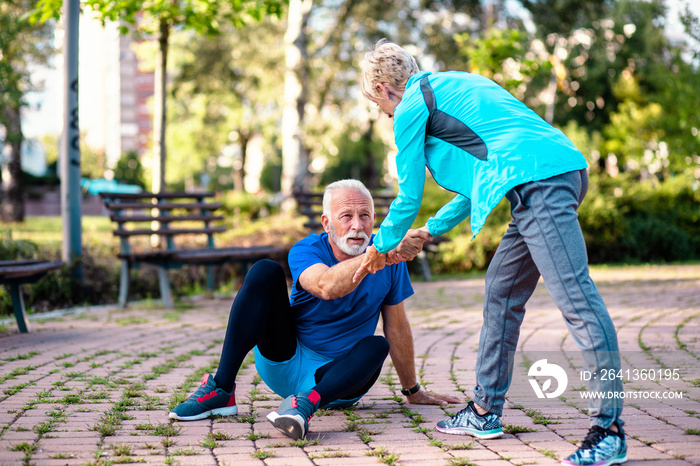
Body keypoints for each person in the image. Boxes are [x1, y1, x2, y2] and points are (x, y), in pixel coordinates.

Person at [356, 40, 626, 466]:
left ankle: (608, 430)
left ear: (382, 88)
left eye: (378, 104)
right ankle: (484, 411)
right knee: (501, 288)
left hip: (539, 182)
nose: (383, 113)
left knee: (578, 301)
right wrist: (428, 232)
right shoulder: (455, 83)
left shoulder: (410, 105)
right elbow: (474, 185)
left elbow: (407, 197)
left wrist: (378, 250)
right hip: (546, 178)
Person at [169, 179, 458, 440]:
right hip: (286, 359)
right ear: (326, 223)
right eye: (346, 216)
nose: (357, 226)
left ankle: (304, 405)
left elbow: (396, 326)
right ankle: (221, 389)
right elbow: (326, 286)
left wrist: (412, 390)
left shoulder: (391, 263)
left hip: (339, 380)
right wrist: (380, 253)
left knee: (377, 345)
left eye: (365, 216)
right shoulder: (307, 250)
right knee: (264, 271)